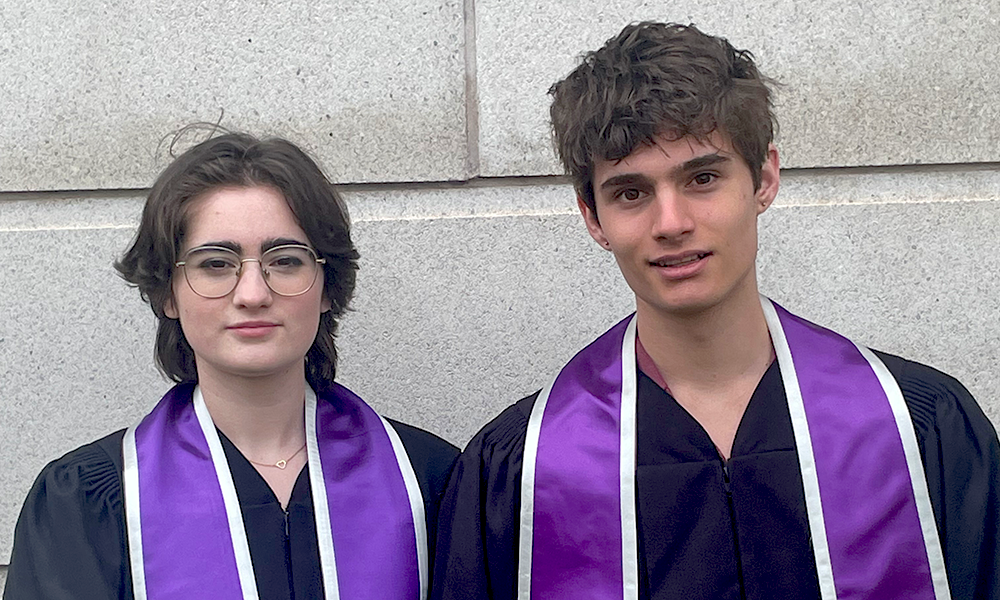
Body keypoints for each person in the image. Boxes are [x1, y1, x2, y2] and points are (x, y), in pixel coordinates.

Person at [431, 22, 999, 600]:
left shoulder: (920, 429)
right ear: (592, 217)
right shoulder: (520, 470)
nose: (671, 223)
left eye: (702, 178)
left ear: (764, 179)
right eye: (631, 193)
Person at [5, 131, 459, 599]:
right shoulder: (88, 503)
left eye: (286, 261)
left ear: (327, 287)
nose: (253, 294)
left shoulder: (429, 482)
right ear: (167, 294)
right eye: (215, 264)